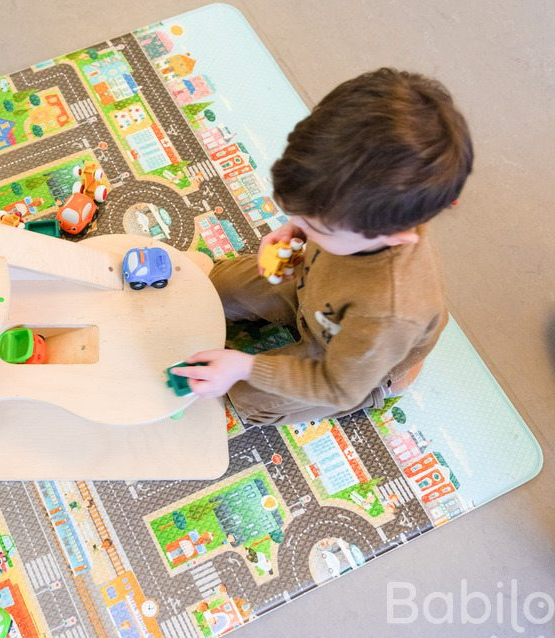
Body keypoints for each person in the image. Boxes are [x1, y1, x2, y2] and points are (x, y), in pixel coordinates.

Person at [173, 68, 473, 426]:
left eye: (316, 225)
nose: (300, 222)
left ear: (395, 235)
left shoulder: (388, 313)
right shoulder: (367, 214)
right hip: (312, 287)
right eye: (299, 214)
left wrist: (245, 367)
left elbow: (336, 386)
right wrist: (297, 229)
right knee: (210, 289)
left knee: (248, 399)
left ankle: (387, 383)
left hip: (347, 358)